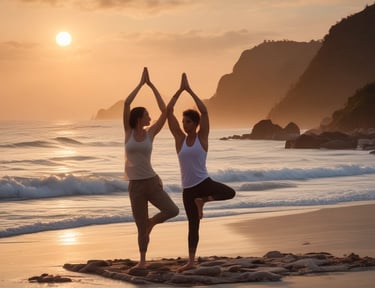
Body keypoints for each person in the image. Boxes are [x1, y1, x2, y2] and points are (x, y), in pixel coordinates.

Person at [167, 73, 235, 272]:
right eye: (183, 121)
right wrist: (179, 91)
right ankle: (190, 261)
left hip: (204, 182)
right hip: (188, 189)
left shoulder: (202, 137)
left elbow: (205, 113)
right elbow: (168, 111)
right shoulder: (179, 139)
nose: (184, 124)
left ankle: (204, 200)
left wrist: (190, 90)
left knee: (230, 192)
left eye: (188, 121)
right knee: (193, 225)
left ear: (195, 124)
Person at [123, 67, 179, 269]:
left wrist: (152, 86)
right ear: (139, 117)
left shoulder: (150, 133)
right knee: (140, 226)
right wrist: (140, 84)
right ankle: (143, 261)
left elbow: (165, 112)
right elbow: (127, 103)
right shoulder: (128, 131)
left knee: (172, 210)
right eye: (147, 115)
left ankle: (152, 222)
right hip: (135, 186)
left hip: (152, 182)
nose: (150, 117)